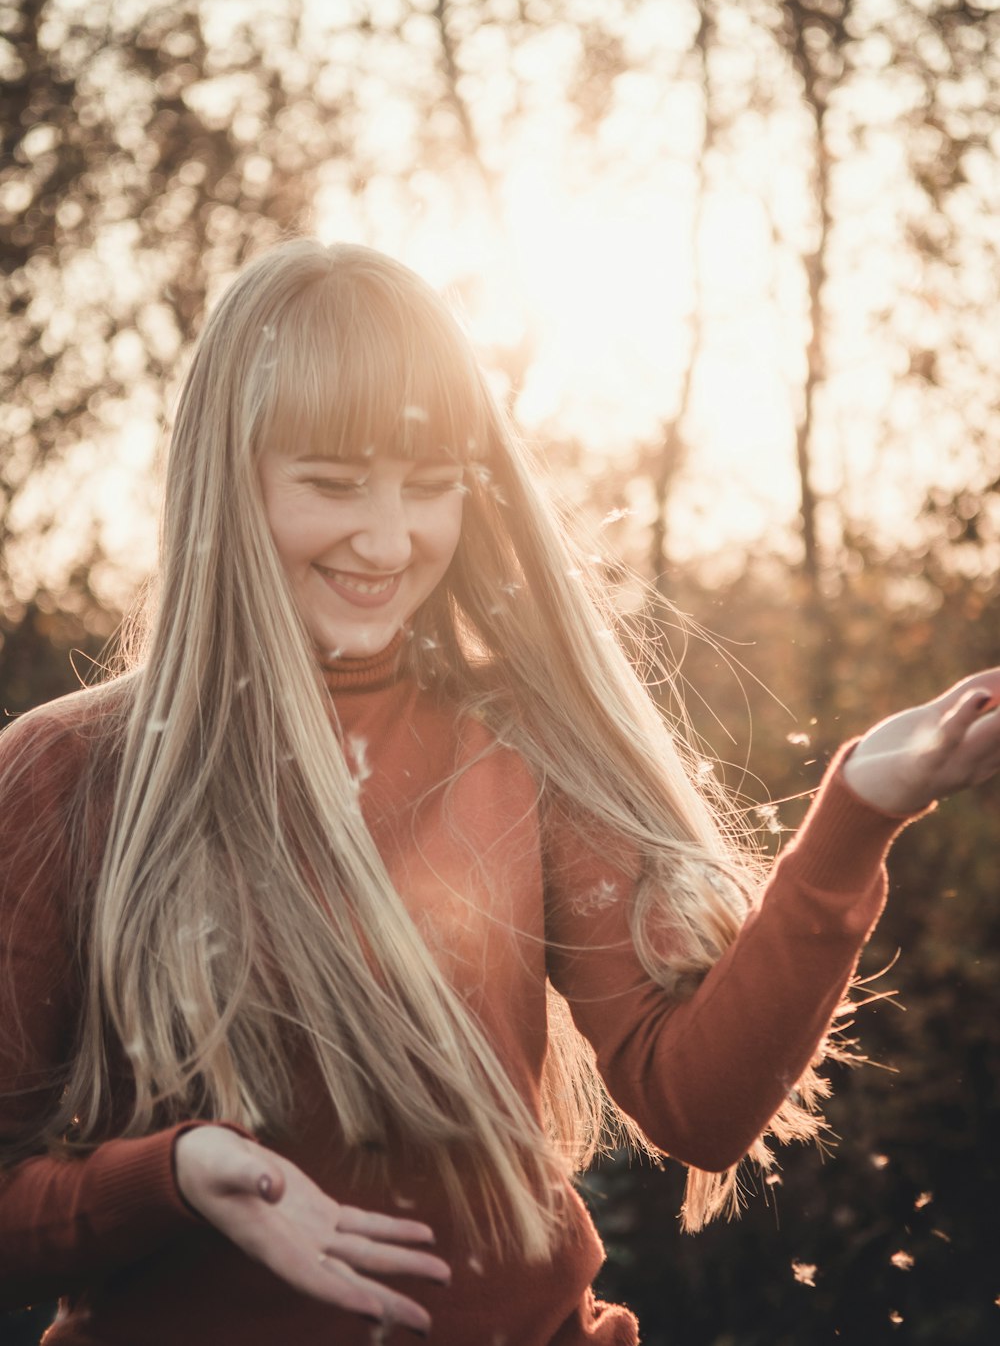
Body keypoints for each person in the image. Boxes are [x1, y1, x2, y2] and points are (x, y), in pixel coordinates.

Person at [1, 239, 999, 1346]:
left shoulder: (511, 742)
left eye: (428, 487)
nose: (389, 539)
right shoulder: (66, 772)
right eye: (333, 485)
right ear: (226, 485)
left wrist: (857, 813)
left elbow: (700, 1108)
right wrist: (174, 1175)